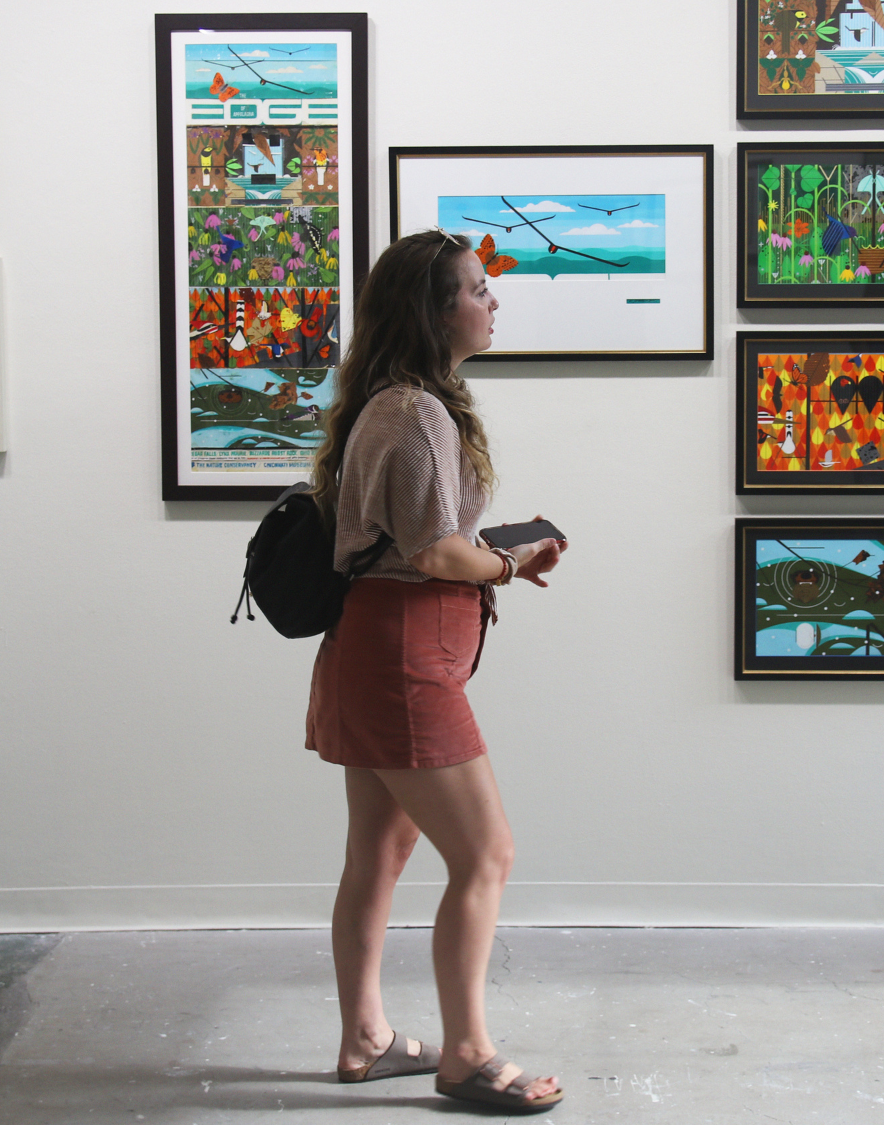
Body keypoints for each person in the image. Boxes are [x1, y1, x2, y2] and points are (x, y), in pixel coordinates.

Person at [304, 229, 567, 1112]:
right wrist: (512, 563)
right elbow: (435, 551)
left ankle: (365, 1038)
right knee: (487, 852)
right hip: (403, 658)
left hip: (381, 647)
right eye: (478, 288)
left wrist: (489, 557)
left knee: (379, 852)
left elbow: (415, 544)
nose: (493, 302)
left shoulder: (393, 403)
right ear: (434, 308)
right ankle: (466, 1054)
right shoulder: (413, 410)